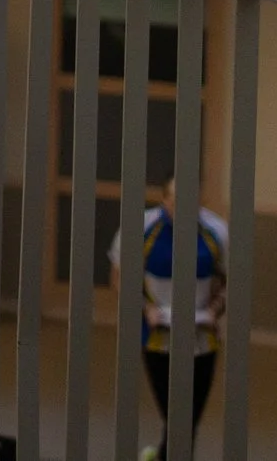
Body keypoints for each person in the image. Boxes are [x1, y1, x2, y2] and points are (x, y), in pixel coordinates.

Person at [108, 177, 227, 461]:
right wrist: (145, 308)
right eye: (176, 199)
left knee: (188, 420)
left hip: (202, 339)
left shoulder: (217, 232)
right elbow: (119, 279)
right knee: (176, 417)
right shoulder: (141, 229)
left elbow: (228, 281)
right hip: (157, 338)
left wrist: (215, 309)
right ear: (164, 200)